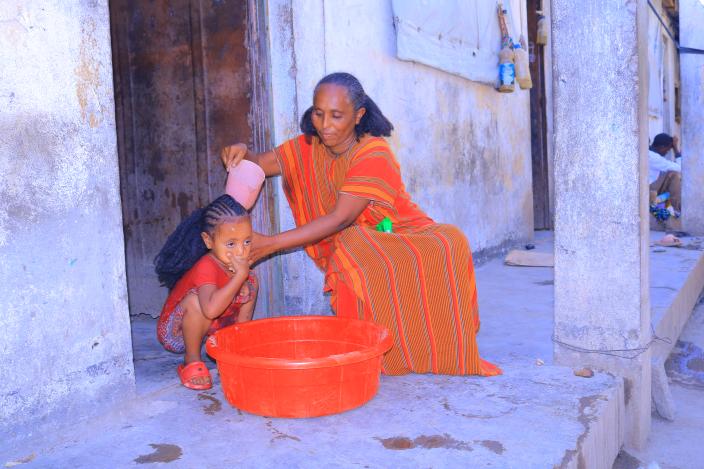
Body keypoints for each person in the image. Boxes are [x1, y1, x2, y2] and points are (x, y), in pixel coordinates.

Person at [221, 72, 500, 377]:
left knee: (445, 240)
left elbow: (341, 217)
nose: (325, 125)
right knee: (352, 245)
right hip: (360, 241)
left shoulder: (373, 152)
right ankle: (364, 347)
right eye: (318, 113)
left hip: (403, 235)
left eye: (336, 116)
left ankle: (416, 348)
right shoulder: (307, 146)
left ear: (358, 115)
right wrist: (241, 153)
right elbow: (259, 164)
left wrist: (270, 244)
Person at [154, 194, 258, 390]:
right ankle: (191, 360)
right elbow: (210, 310)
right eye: (230, 244)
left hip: (212, 330)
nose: (240, 252)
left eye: (247, 241)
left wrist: (239, 356)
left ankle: (229, 353)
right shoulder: (206, 266)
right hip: (176, 332)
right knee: (197, 301)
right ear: (208, 241)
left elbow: (243, 324)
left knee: (250, 282)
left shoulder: (245, 273)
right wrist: (238, 277)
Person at [649, 133, 682, 213]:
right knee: (674, 175)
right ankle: (677, 209)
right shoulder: (655, 158)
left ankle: (669, 206)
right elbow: (681, 168)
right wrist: (676, 150)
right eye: (667, 149)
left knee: (670, 173)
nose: (667, 152)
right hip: (648, 189)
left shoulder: (649, 153)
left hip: (651, 187)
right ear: (662, 147)